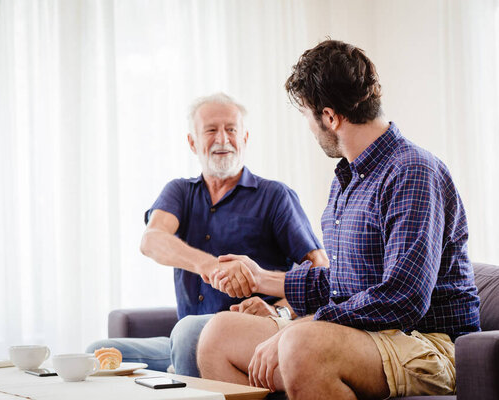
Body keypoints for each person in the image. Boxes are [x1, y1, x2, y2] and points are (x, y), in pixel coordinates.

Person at [197, 41, 481, 399]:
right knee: (217, 336)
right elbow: (342, 284)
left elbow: (402, 297)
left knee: (301, 345)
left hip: (429, 344)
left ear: (330, 117)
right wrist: (263, 280)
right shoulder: (346, 181)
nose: (310, 129)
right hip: (366, 337)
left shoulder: (412, 171)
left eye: (308, 117)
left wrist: (297, 329)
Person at [86, 93, 328, 378]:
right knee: (99, 352)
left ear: (245, 137)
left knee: (189, 332)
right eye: (211, 130)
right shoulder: (180, 192)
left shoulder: (274, 196)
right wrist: (211, 267)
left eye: (231, 129)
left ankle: (184, 372)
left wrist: (281, 312)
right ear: (193, 142)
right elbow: (151, 240)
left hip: (246, 334)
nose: (222, 139)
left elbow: (321, 268)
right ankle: (181, 368)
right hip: (183, 336)